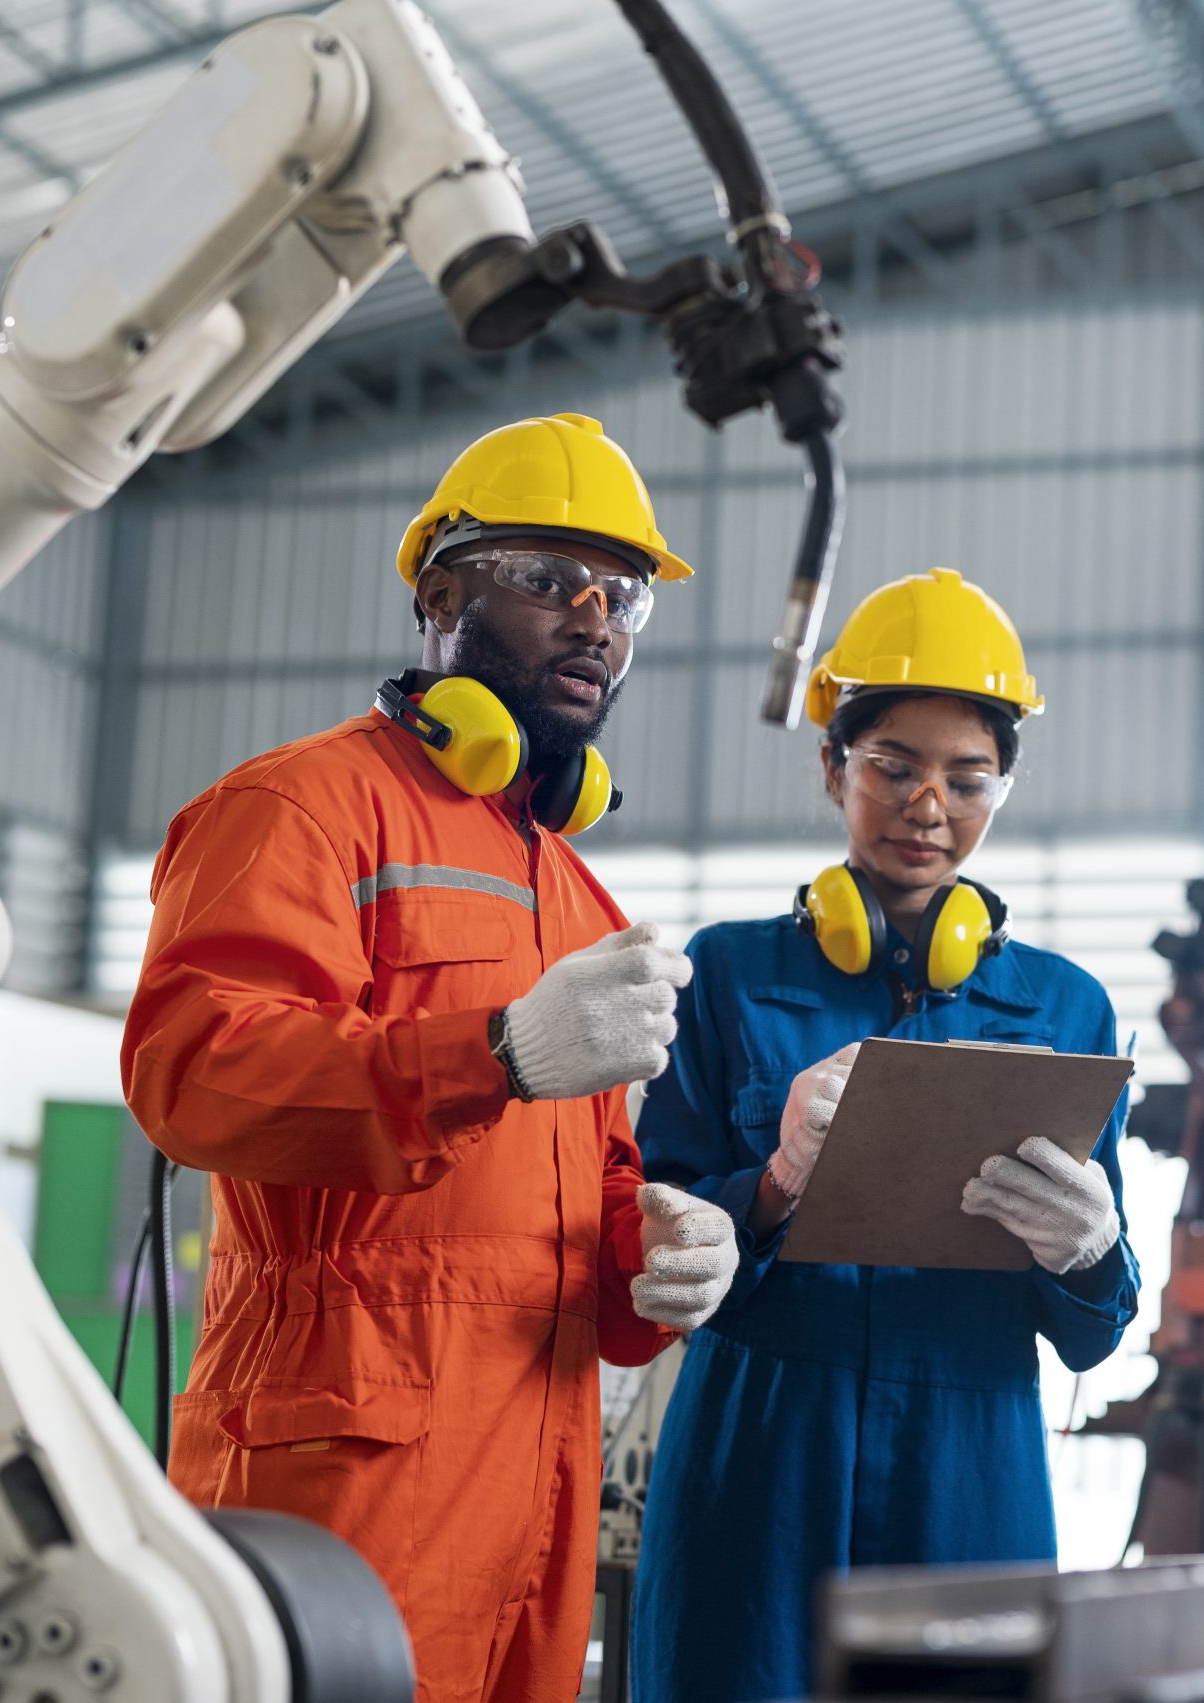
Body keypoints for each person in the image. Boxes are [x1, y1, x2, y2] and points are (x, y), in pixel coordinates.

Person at [122, 413, 741, 1703]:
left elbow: (581, 1184)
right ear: (438, 593)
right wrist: (500, 1050)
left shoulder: (571, 888)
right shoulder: (298, 809)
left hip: (541, 1472)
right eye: (544, 578)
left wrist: (657, 1244)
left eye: (621, 594)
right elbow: (193, 1070)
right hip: (345, 1463)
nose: (594, 620)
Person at [627, 569, 1142, 1703]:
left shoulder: (1065, 1010)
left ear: (1004, 784)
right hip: (760, 1452)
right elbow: (647, 1246)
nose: (928, 807)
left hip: (968, 1462)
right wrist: (766, 1185)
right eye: (893, 768)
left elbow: (1100, 1330)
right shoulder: (726, 975)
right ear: (831, 767)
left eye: (968, 778)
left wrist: (1088, 1249)